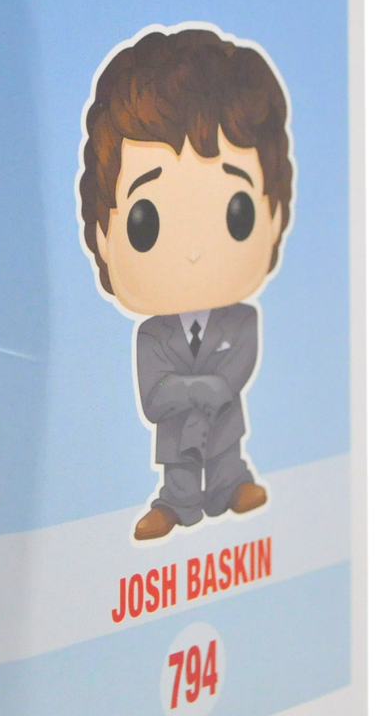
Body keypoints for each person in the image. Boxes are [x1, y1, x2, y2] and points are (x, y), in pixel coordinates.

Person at [78, 28, 294, 541]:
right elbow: (154, 399)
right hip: (177, 442)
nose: (194, 253)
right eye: (145, 222)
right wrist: (202, 389)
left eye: (237, 214)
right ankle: (175, 502)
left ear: (273, 216)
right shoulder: (152, 336)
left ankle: (230, 485)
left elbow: (233, 376)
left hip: (224, 435)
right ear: (104, 237)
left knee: (225, 458)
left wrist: (191, 390)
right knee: (180, 469)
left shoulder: (243, 319)